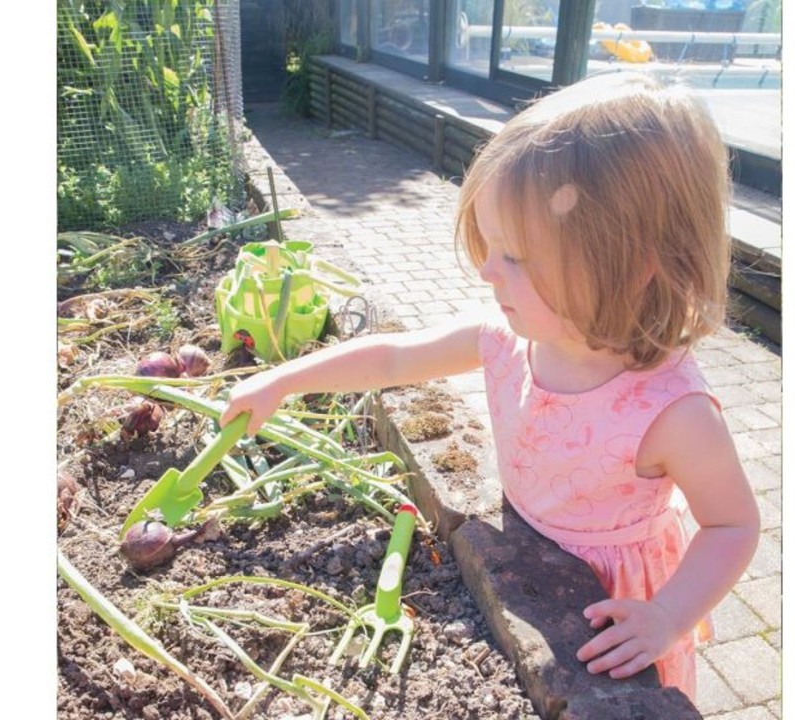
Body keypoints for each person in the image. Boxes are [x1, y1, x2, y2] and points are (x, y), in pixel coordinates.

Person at [219, 71, 760, 702]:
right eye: (491, 247)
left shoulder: (672, 410)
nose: (485, 271)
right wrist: (283, 381)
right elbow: (394, 358)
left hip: (614, 612)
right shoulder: (509, 341)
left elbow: (732, 526)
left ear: (632, 266)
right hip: (526, 556)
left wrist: (667, 617)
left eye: (515, 257)